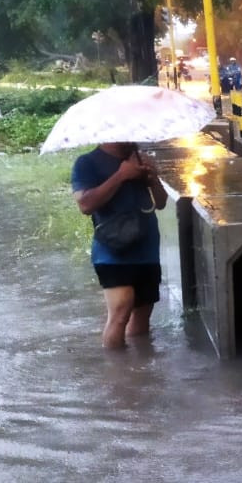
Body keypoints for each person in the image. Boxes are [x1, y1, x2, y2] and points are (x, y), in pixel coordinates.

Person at [71, 142, 169, 349]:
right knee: (120, 312)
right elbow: (85, 205)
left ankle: (137, 372)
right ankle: (117, 376)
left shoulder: (139, 159)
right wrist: (122, 175)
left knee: (142, 317)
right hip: (112, 250)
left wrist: (152, 178)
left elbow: (161, 203)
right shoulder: (86, 163)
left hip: (147, 249)